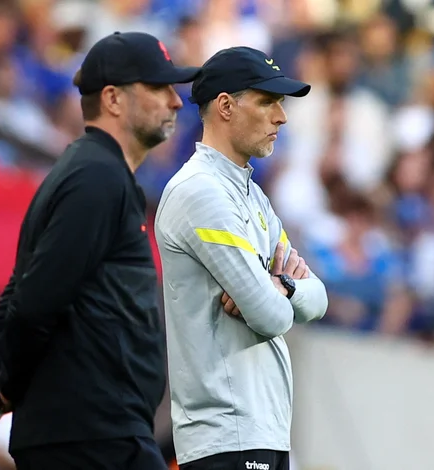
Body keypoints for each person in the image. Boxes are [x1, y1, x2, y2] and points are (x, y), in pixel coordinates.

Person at [0, 31, 200, 469]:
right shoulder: (96, 178)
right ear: (113, 99)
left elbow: (17, 292)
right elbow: (32, 304)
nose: (176, 101)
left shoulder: (90, 171)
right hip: (92, 437)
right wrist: (2, 392)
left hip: (94, 434)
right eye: (158, 88)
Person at [154, 46, 329, 470]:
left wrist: (281, 285)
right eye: (267, 101)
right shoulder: (199, 191)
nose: (281, 117)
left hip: (259, 428)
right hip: (226, 435)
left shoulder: (250, 193)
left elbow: (318, 298)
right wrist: (276, 293)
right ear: (226, 106)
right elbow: (271, 318)